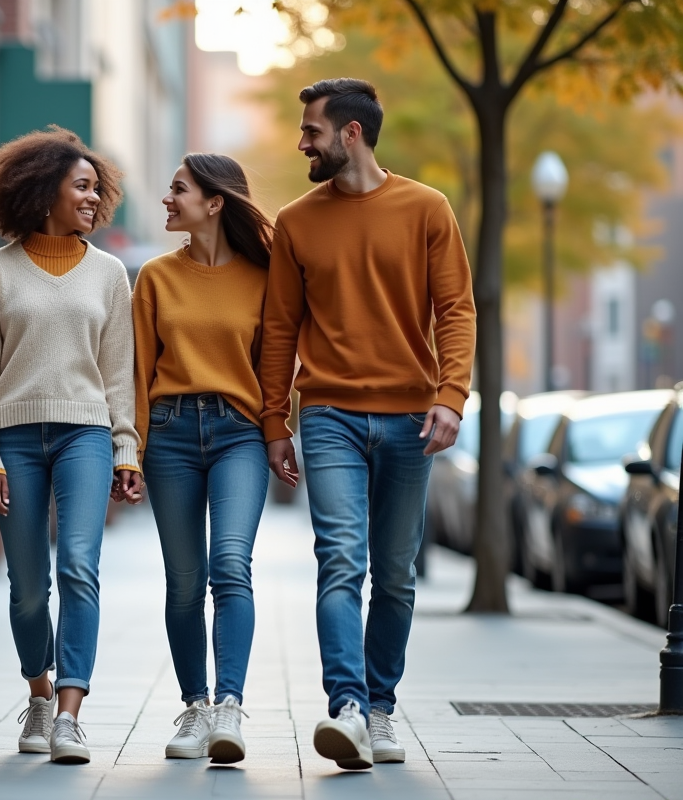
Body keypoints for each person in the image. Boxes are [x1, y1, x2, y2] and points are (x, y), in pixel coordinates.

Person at [260, 78, 476, 770]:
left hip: (413, 417)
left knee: (397, 575)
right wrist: (274, 419)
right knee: (340, 560)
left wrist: (452, 394)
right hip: (329, 416)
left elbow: (457, 310)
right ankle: (348, 708)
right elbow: (279, 328)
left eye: (312, 131)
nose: (302, 143)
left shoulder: (426, 209)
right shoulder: (296, 221)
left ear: (350, 134)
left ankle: (381, 708)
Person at [0, 126, 140, 765]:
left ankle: (67, 713)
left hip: (86, 435)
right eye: (82, 187)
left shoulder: (110, 273)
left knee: (79, 569)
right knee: (27, 586)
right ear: (45, 192)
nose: (94, 199)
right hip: (14, 438)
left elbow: (120, 372)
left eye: (98, 189)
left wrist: (126, 449)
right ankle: (37, 691)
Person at [133, 153, 289, 764]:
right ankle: (194, 706)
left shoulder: (263, 276)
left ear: (215, 202)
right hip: (168, 433)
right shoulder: (154, 277)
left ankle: (229, 707)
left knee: (230, 564)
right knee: (183, 582)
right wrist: (131, 448)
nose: (167, 199)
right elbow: (137, 369)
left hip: (238, 433)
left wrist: (278, 431)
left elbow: (275, 368)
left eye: (178, 190)